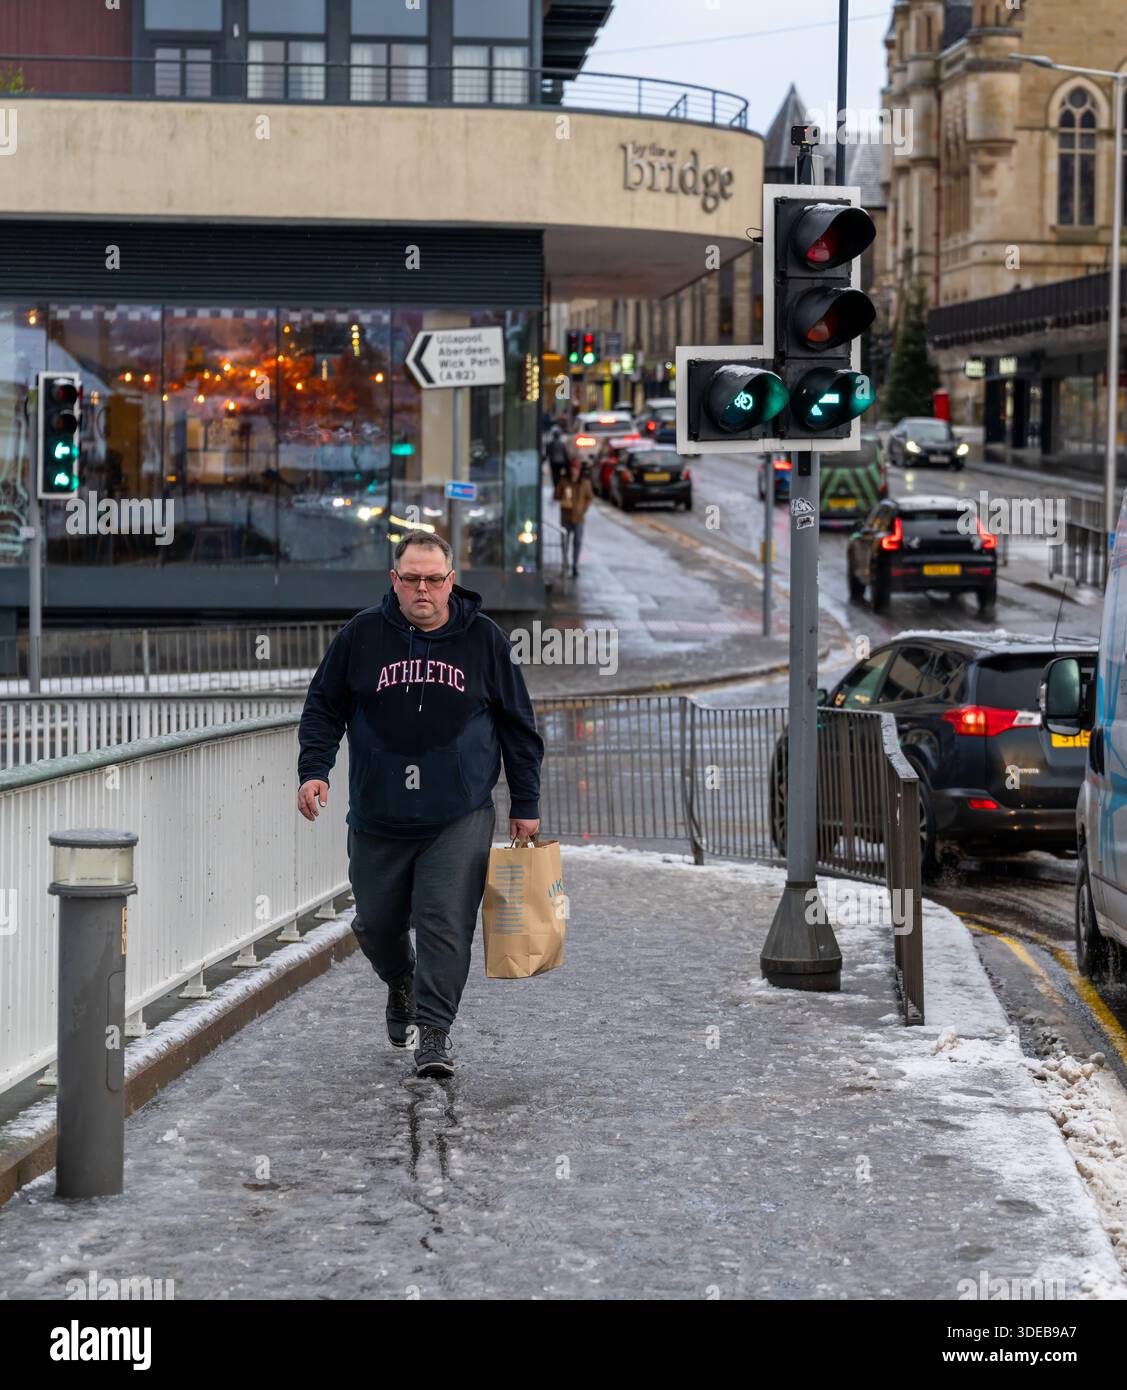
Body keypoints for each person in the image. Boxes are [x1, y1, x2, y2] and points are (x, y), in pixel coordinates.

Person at [296, 532, 544, 1079]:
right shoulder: (362, 635)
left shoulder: (485, 641)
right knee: (376, 924)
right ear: (395, 580)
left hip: (458, 814)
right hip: (378, 814)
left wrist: (525, 802)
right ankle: (401, 980)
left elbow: (518, 728)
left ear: (451, 581)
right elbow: (322, 708)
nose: (423, 588)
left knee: (445, 923)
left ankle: (435, 1033)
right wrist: (314, 770)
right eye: (412, 578)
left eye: (434, 578)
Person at [554, 456, 595, 577]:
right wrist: (560, 492)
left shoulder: (584, 483)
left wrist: (583, 509)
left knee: (577, 542)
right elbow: (556, 496)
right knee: (565, 542)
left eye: (576, 469)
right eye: (572, 468)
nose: (574, 471)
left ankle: (575, 565)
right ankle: (565, 562)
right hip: (566, 517)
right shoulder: (564, 481)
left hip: (579, 518)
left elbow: (589, 497)